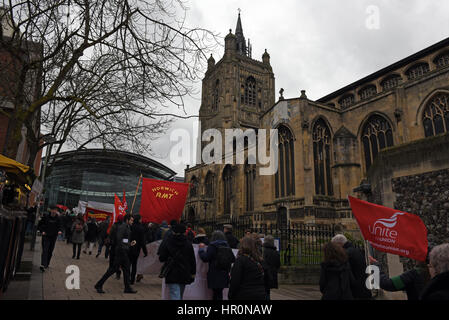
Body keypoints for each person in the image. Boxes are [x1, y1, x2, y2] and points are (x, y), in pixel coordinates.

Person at [95, 214, 137, 294]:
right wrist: (126, 245)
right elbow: (119, 238)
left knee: (126, 269)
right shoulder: (123, 227)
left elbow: (124, 239)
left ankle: (127, 287)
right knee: (113, 269)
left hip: (123, 250)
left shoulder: (127, 227)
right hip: (121, 251)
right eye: (131, 220)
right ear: (127, 220)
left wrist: (128, 243)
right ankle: (99, 284)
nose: (132, 221)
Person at [158, 223, 196, 300]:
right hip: (184, 272)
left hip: (172, 272)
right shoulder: (188, 244)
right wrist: (193, 273)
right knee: (180, 295)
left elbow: (161, 258)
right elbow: (192, 260)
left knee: (175, 294)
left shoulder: (168, 242)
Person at [331, 234, 372, 299]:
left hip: (355, 290)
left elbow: (347, 275)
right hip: (364, 286)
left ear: (339, 244)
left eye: (334, 246)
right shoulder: (355, 250)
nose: (334, 248)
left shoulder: (346, 254)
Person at [199, 230, 235, 300]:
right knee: (219, 293)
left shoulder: (212, 246)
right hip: (224, 273)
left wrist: (201, 250)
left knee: (216, 294)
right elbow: (233, 259)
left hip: (214, 273)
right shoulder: (227, 246)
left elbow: (205, 258)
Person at [37, 205, 63, 271]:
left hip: (53, 236)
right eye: (53, 210)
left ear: (57, 211)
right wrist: (42, 231)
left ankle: (47, 263)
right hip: (46, 236)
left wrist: (60, 231)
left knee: (50, 251)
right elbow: (40, 225)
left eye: (55, 210)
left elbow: (60, 226)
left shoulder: (58, 218)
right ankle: (43, 264)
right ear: (50, 210)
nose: (54, 211)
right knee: (45, 250)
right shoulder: (46, 217)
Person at [129, 214, 148, 285]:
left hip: (129, 247)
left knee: (128, 264)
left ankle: (127, 278)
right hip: (136, 248)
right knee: (134, 264)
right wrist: (145, 251)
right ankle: (132, 280)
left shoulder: (131, 226)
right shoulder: (141, 228)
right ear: (139, 219)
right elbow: (142, 241)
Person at [262, 235, 281, 300]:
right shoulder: (276, 252)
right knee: (268, 291)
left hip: (265, 274)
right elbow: (278, 264)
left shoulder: (264, 251)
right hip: (272, 274)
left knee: (264, 292)